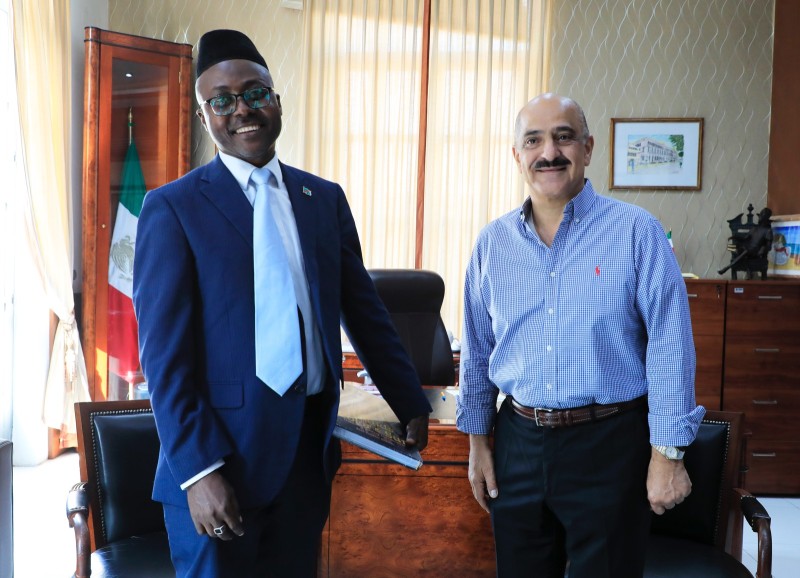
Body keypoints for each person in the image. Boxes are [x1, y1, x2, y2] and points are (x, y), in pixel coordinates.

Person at [132, 29, 431, 578]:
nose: (241, 109)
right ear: (204, 117)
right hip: (220, 465)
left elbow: (363, 311)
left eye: (254, 93)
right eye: (221, 101)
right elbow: (164, 362)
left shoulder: (324, 199)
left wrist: (409, 399)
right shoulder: (173, 208)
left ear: (276, 100)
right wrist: (198, 472)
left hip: (305, 460)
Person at [455, 93, 705, 578]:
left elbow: (670, 348)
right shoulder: (491, 244)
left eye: (563, 137)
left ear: (587, 149)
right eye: (533, 141)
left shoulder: (637, 233)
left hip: (610, 445)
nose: (549, 152)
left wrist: (668, 455)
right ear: (517, 155)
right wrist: (478, 443)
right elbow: (478, 351)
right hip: (518, 444)